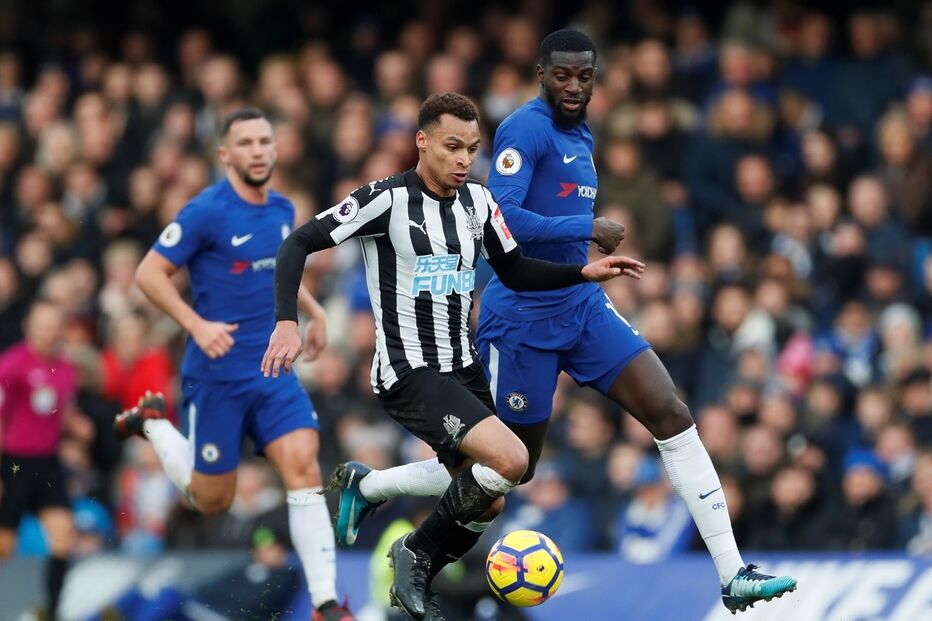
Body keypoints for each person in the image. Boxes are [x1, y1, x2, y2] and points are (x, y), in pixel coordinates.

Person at [327, 30, 797, 614]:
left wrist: (586, 250)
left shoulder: (581, 132)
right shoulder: (524, 130)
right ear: (541, 74)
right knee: (505, 469)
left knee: (671, 413)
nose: (573, 86)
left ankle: (732, 574)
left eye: (584, 76)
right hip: (520, 321)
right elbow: (501, 217)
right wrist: (586, 228)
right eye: (562, 75)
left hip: (582, 306)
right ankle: (370, 486)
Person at [263, 92, 643, 621]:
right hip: (408, 369)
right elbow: (298, 243)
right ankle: (414, 556)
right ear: (421, 142)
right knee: (510, 459)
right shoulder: (386, 200)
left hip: (461, 367)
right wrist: (287, 320)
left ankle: (368, 487)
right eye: (452, 146)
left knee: (492, 494)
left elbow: (515, 272)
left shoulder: (480, 203)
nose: (464, 159)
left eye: (472, 148)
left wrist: (581, 273)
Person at [112, 108, 353, 621]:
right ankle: (155, 426)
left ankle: (326, 602)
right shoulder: (205, 211)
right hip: (216, 375)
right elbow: (149, 274)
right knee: (211, 500)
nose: (259, 150)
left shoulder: (284, 209)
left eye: (265, 140)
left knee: (304, 465)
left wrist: (311, 312)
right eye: (246, 143)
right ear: (225, 154)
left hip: (270, 368)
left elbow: (280, 270)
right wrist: (195, 325)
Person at [0, 298, 76, 620]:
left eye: (54, 325)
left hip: (48, 463)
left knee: (63, 535)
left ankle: (54, 612)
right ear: (29, 326)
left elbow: (58, 413)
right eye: (43, 325)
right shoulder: (11, 364)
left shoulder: (66, 368)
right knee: (4, 545)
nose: (49, 332)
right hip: (15, 463)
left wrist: (78, 427)